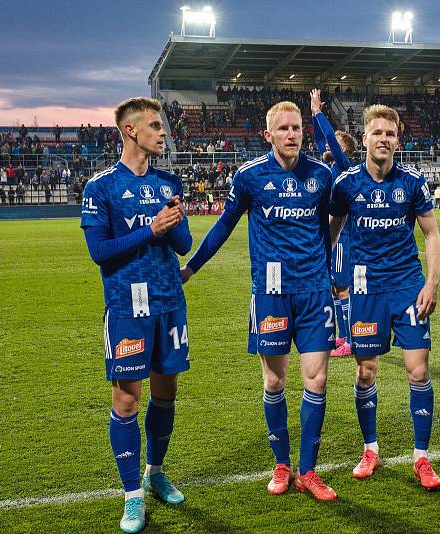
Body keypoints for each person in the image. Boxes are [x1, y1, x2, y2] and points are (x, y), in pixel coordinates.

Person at [181, 101, 338, 501]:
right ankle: (282, 465)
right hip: (270, 294)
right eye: (283, 128)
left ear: (304, 132)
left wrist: (331, 272)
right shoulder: (250, 176)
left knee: (316, 380)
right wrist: (191, 267)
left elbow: (332, 227)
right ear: (268, 135)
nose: (291, 134)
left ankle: (308, 471)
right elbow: (223, 226)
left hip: (313, 292)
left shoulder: (321, 176)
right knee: (274, 380)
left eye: (297, 128)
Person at [80, 97, 192, 534]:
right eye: (154, 126)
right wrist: (150, 229)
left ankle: (156, 471)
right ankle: (132, 497)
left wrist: (174, 220)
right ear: (130, 131)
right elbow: (99, 252)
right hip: (128, 306)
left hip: (170, 302)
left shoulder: (169, 182)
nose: (163, 132)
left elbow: (182, 244)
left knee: (166, 393)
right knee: (127, 399)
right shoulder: (101, 187)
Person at [329, 104, 440, 490]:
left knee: (419, 370)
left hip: (408, 287)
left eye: (390, 134)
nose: (383, 139)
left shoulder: (413, 182)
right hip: (365, 289)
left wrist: (432, 282)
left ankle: (421, 458)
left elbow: (431, 234)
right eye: (376, 133)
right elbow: (330, 233)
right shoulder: (346, 184)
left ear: (398, 139)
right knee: (366, 371)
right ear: (365, 138)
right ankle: (371, 449)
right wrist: (317, 276)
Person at [310, 88, 358, 357]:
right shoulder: (329, 163)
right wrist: (313, 113)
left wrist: (320, 113)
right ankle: (343, 336)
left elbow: (327, 137)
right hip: (329, 232)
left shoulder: (343, 164)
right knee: (334, 287)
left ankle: (351, 340)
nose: (327, 146)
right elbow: (320, 138)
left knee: (343, 287)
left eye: (334, 143)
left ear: (344, 149)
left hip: (343, 235)